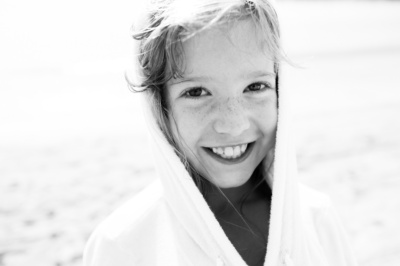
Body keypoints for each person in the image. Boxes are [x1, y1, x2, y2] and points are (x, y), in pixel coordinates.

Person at [83, 0, 358, 265]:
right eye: (196, 92)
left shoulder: (317, 219)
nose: (234, 125)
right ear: (160, 107)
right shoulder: (125, 246)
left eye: (255, 87)